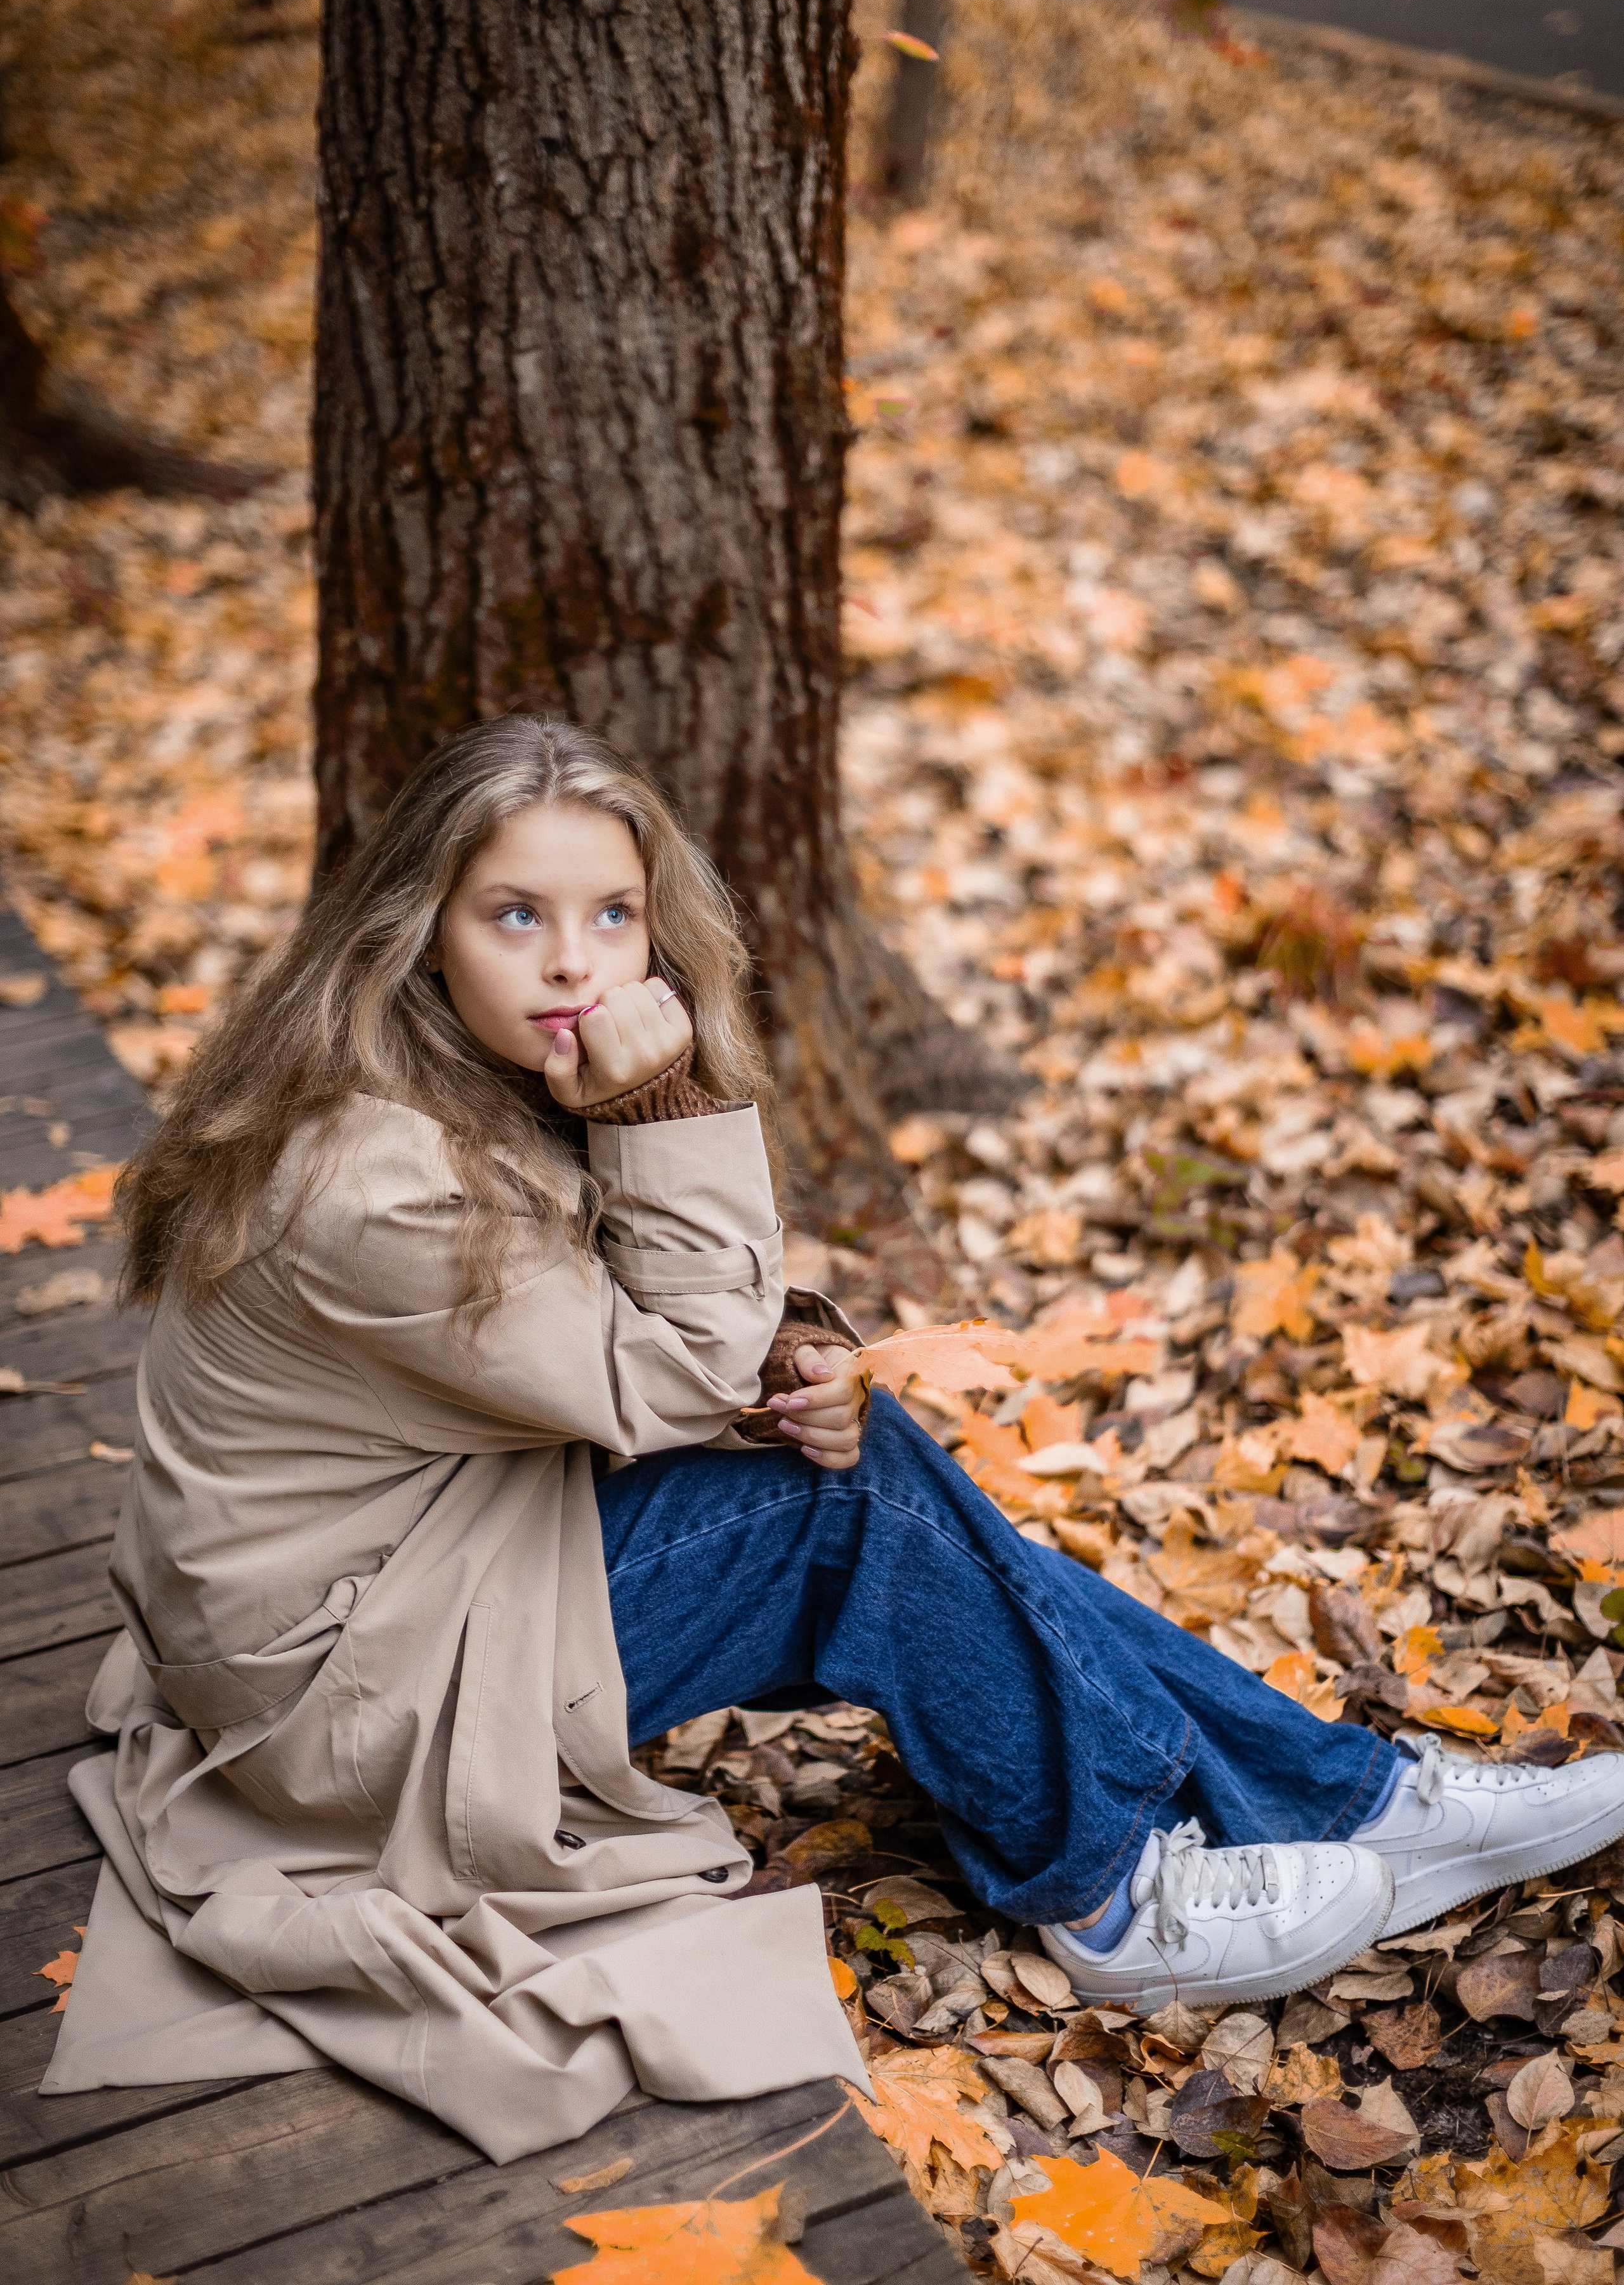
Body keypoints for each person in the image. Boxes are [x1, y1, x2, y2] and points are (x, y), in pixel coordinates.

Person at [45, 717, 1624, 2163]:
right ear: (417, 927)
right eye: (512, 914)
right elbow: (667, 1360)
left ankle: (1345, 1800)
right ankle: (1120, 1892)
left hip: (423, 1572)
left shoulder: (448, 1076)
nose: (573, 966)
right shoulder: (373, 1174)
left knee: (861, 1466)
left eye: (612, 915)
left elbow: (624, 1337)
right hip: (350, 1682)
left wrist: (794, 1350)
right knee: (845, 1501)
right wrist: (666, 1116)